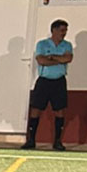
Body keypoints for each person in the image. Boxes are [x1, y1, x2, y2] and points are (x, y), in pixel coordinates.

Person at [23, 19, 74, 151]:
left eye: (65, 31)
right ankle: (31, 140)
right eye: (62, 30)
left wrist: (52, 57)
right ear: (54, 30)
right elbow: (41, 61)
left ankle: (57, 141)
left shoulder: (67, 45)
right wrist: (59, 59)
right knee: (36, 109)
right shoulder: (42, 44)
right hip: (44, 80)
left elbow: (68, 59)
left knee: (60, 111)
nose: (64, 33)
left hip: (59, 81)